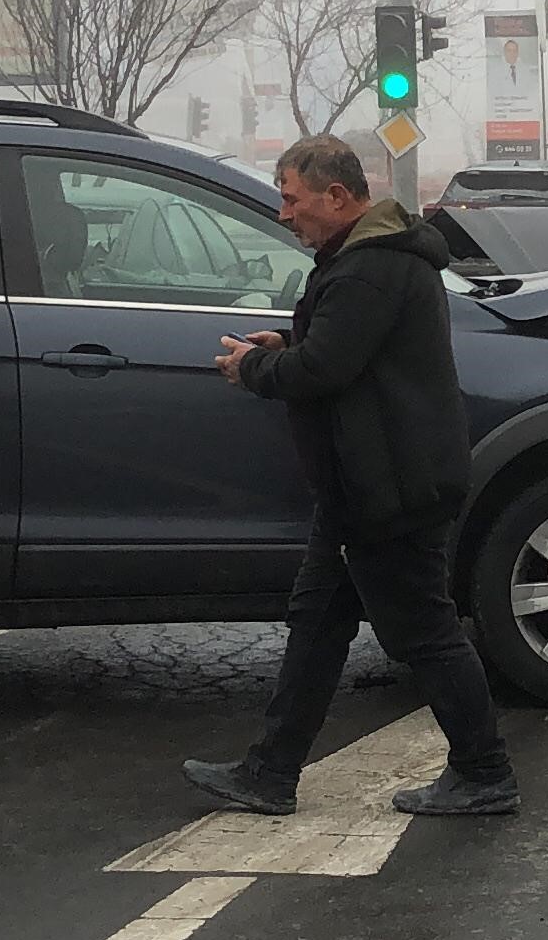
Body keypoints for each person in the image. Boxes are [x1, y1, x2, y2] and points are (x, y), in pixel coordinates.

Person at [182, 134, 520, 820]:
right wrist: (292, 341)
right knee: (316, 623)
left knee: (423, 631)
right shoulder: (367, 260)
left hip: (388, 485)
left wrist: (252, 368)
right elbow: (348, 351)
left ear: (337, 197)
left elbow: (324, 371)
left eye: (291, 199)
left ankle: (485, 773)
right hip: (360, 486)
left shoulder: (371, 267)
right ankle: (270, 772)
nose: (284, 215)